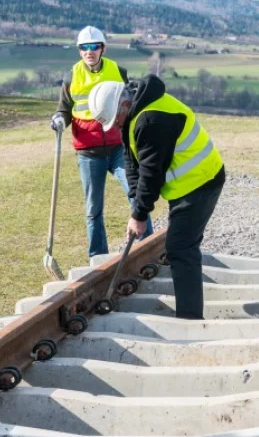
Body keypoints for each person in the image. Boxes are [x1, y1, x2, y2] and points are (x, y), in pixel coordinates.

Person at [88, 75, 225, 320]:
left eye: (116, 120)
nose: (116, 126)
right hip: (184, 186)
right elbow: (131, 161)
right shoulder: (134, 113)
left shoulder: (151, 119)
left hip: (201, 182)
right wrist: (135, 205)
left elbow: (152, 174)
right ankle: (190, 313)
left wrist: (140, 214)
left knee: (181, 248)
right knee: (181, 245)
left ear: (125, 105)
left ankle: (190, 319)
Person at [50, 26, 152, 257]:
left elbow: (131, 103)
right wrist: (58, 120)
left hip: (119, 147)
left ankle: (149, 247)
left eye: (94, 47)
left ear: (103, 48)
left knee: (137, 195)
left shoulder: (118, 71)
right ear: (79, 51)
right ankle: (98, 258)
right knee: (93, 210)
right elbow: (64, 109)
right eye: (84, 48)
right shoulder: (71, 77)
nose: (89, 52)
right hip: (88, 152)